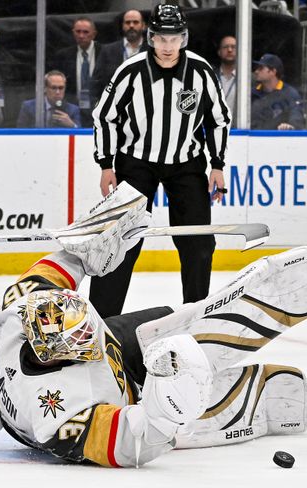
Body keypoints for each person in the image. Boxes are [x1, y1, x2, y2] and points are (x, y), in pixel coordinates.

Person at [0, 184, 307, 468]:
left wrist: (89, 245)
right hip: (112, 403)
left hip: (107, 353)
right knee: (183, 387)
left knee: (184, 322)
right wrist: (165, 411)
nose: (87, 339)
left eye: (85, 331)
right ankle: (198, 398)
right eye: (80, 341)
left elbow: (60, 266)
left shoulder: (25, 309)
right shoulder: (61, 418)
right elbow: (130, 444)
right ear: (54, 356)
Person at [90, 3, 230, 318]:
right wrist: (106, 164)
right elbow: (104, 116)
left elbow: (218, 119)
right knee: (121, 242)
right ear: (151, 37)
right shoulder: (131, 71)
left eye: (174, 38)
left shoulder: (200, 71)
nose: (167, 47)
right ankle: (101, 319)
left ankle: (195, 316)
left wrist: (217, 164)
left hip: (186, 164)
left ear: (184, 38)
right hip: (136, 162)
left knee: (198, 243)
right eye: (161, 39)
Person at [51, 16, 102, 128]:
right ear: (73, 33)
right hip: (72, 111)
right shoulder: (63, 56)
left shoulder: (105, 53)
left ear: (94, 34)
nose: (81, 36)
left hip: (99, 110)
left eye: (85, 32)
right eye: (78, 32)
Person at [91, 9, 148, 101]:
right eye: (127, 22)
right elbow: (97, 83)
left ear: (143, 26)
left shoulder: (152, 51)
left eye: (135, 22)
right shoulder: (108, 51)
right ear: (122, 26)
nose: (131, 25)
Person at [250, 53, 305, 130]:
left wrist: (290, 126)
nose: (256, 71)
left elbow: (296, 118)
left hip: (280, 140)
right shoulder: (252, 94)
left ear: (273, 71)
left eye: (261, 68)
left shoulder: (290, 94)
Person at [16, 70, 81, 128]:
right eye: (53, 88)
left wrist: (72, 125)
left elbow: (82, 136)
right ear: (45, 88)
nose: (57, 92)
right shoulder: (29, 107)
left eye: (61, 88)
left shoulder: (73, 110)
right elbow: (19, 133)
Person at [214, 35, 238, 124]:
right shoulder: (209, 77)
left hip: (239, 132)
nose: (230, 50)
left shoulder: (249, 79)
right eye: (225, 47)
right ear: (219, 52)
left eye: (233, 47)